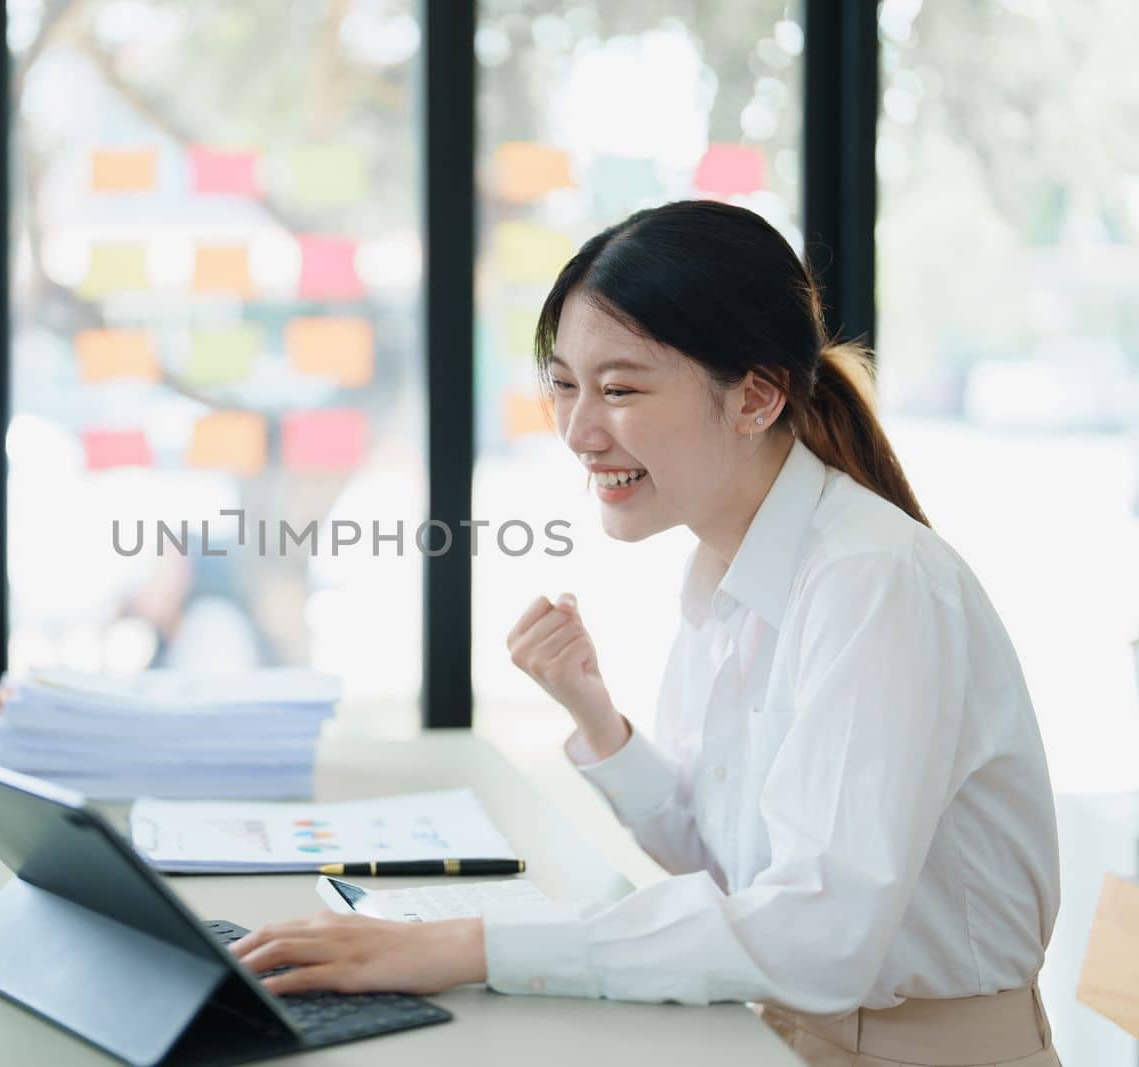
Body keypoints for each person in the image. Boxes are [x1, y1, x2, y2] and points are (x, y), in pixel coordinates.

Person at [228, 200, 1062, 1066]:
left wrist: (467, 947)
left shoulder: (875, 581)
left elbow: (822, 929)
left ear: (756, 397)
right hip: (774, 1031)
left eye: (620, 388)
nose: (581, 432)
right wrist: (600, 722)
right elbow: (732, 865)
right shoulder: (726, 567)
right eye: (563, 384)